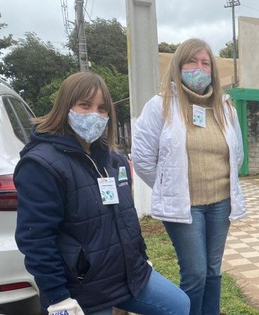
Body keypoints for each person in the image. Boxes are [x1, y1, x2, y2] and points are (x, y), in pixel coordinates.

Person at [14, 72, 190, 315]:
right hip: (80, 288)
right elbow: (36, 239)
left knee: (179, 305)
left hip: (126, 274)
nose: (94, 115)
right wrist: (58, 297)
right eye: (85, 105)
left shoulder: (114, 160)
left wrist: (140, 258)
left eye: (102, 109)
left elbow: (127, 218)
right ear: (65, 107)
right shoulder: (41, 165)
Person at [131, 38, 246, 315]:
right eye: (192, 62)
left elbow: (237, 154)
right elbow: (143, 157)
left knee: (213, 270)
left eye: (205, 63)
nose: (199, 68)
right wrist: (168, 187)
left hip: (220, 203)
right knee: (195, 273)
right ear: (178, 66)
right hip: (185, 207)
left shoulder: (225, 107)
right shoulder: (161, 106)